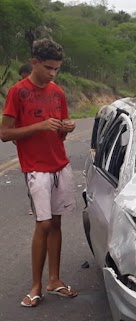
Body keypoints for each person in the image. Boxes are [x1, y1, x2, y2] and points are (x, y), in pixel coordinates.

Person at [0, 38, 78, 307]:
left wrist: (66, 128)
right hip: (36, 168)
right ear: (34, 62)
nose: (52, 74)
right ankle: (35, 286)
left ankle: (54, 280)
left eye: (56, 69)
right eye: (48, 68)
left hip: (60, 164)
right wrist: (40, 126)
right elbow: (5, 133)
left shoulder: (58, 93)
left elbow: (60, 132)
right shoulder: (18, 92)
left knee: (56, 223)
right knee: (43, 224)